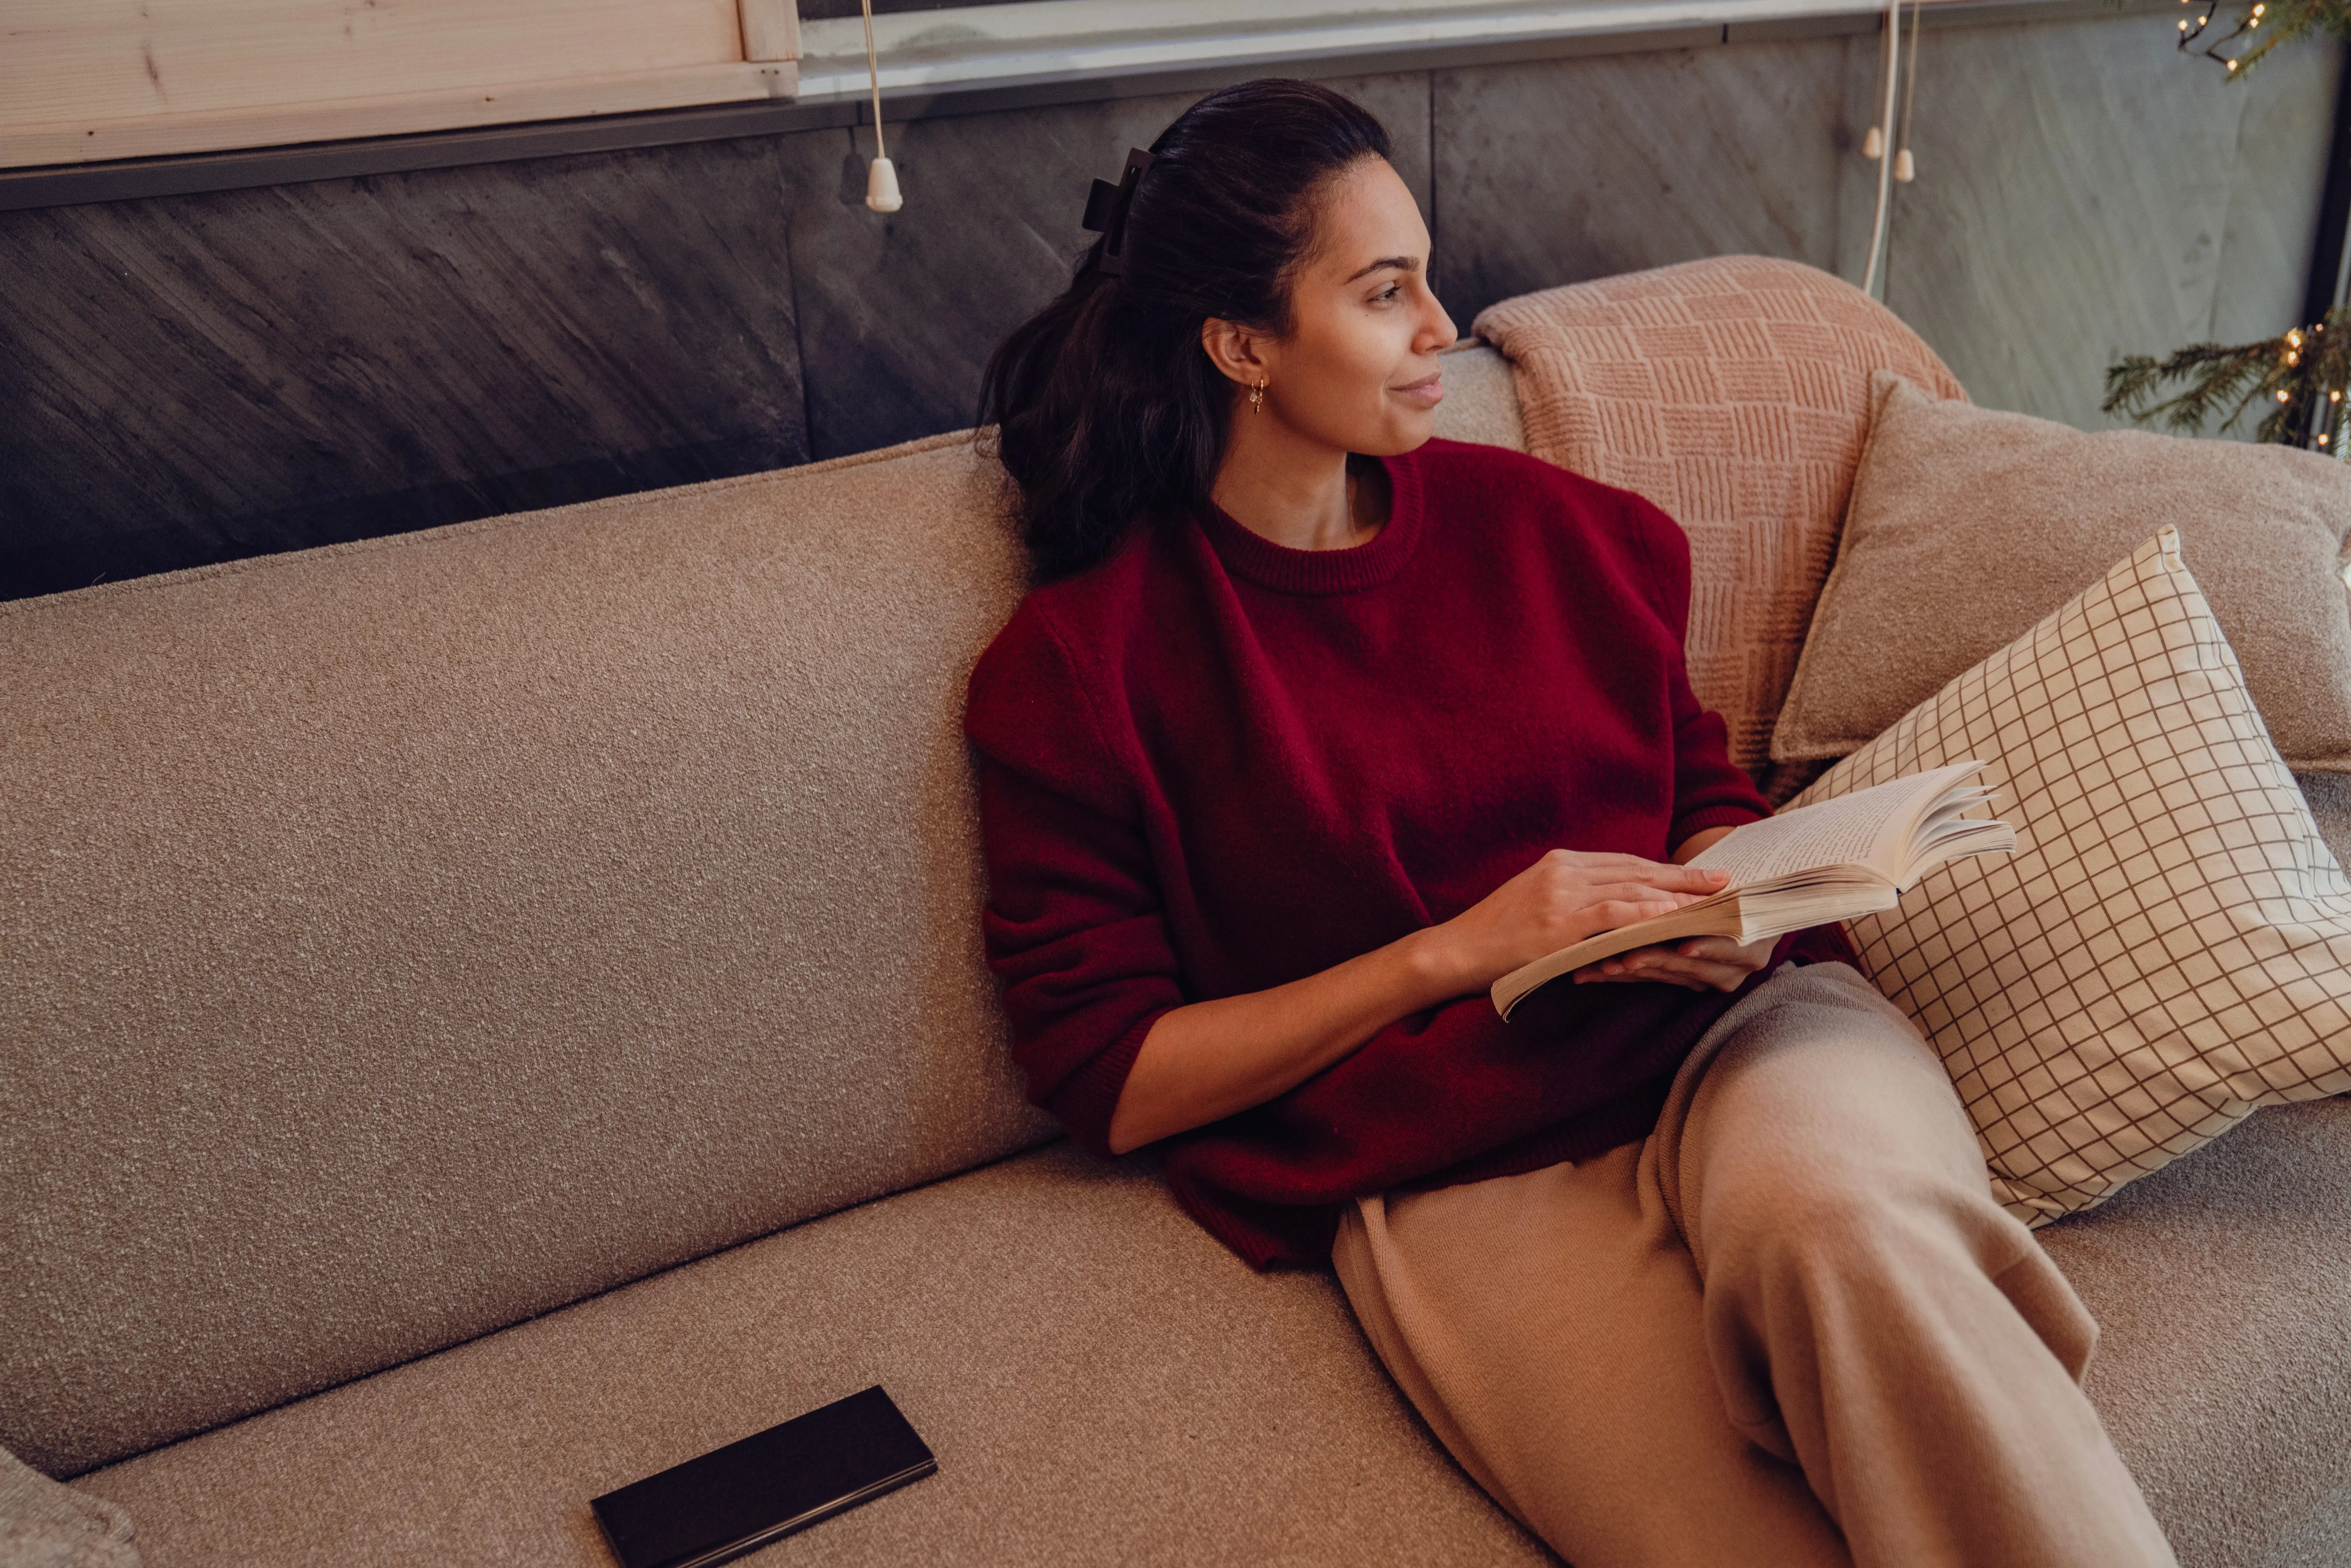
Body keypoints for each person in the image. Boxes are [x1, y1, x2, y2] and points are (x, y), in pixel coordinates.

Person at [963, 78, 2176, 1568]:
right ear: (1243, 345)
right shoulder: (1085, 675)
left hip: (1738, 1041)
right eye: (1385, 290)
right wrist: (1451, 954)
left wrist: (1730, 902)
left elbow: (1699, 782)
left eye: (1428, 275)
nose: (1441, 328)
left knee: (1843, 1227)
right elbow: (1115, 1076)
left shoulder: (1554, 531)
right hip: (1458, 1167)